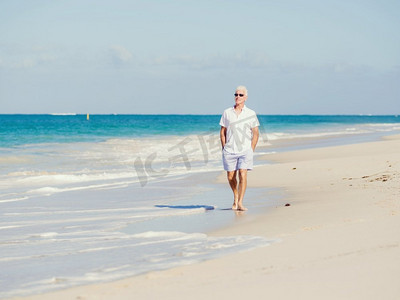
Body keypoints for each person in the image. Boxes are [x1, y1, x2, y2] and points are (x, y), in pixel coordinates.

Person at [219, 85, 260, 211]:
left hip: (245, 150)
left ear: (245, 98)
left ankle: (240, 203)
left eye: (241, 95)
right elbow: (222, 132)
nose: (238, 97)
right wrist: (224, 148)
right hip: (230, 150)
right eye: (236, 94)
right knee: (231, 177)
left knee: (243, 174)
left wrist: (251, 149)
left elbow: (256, 133)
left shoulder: (251, 113)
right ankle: (235, 196)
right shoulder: (227, 112)